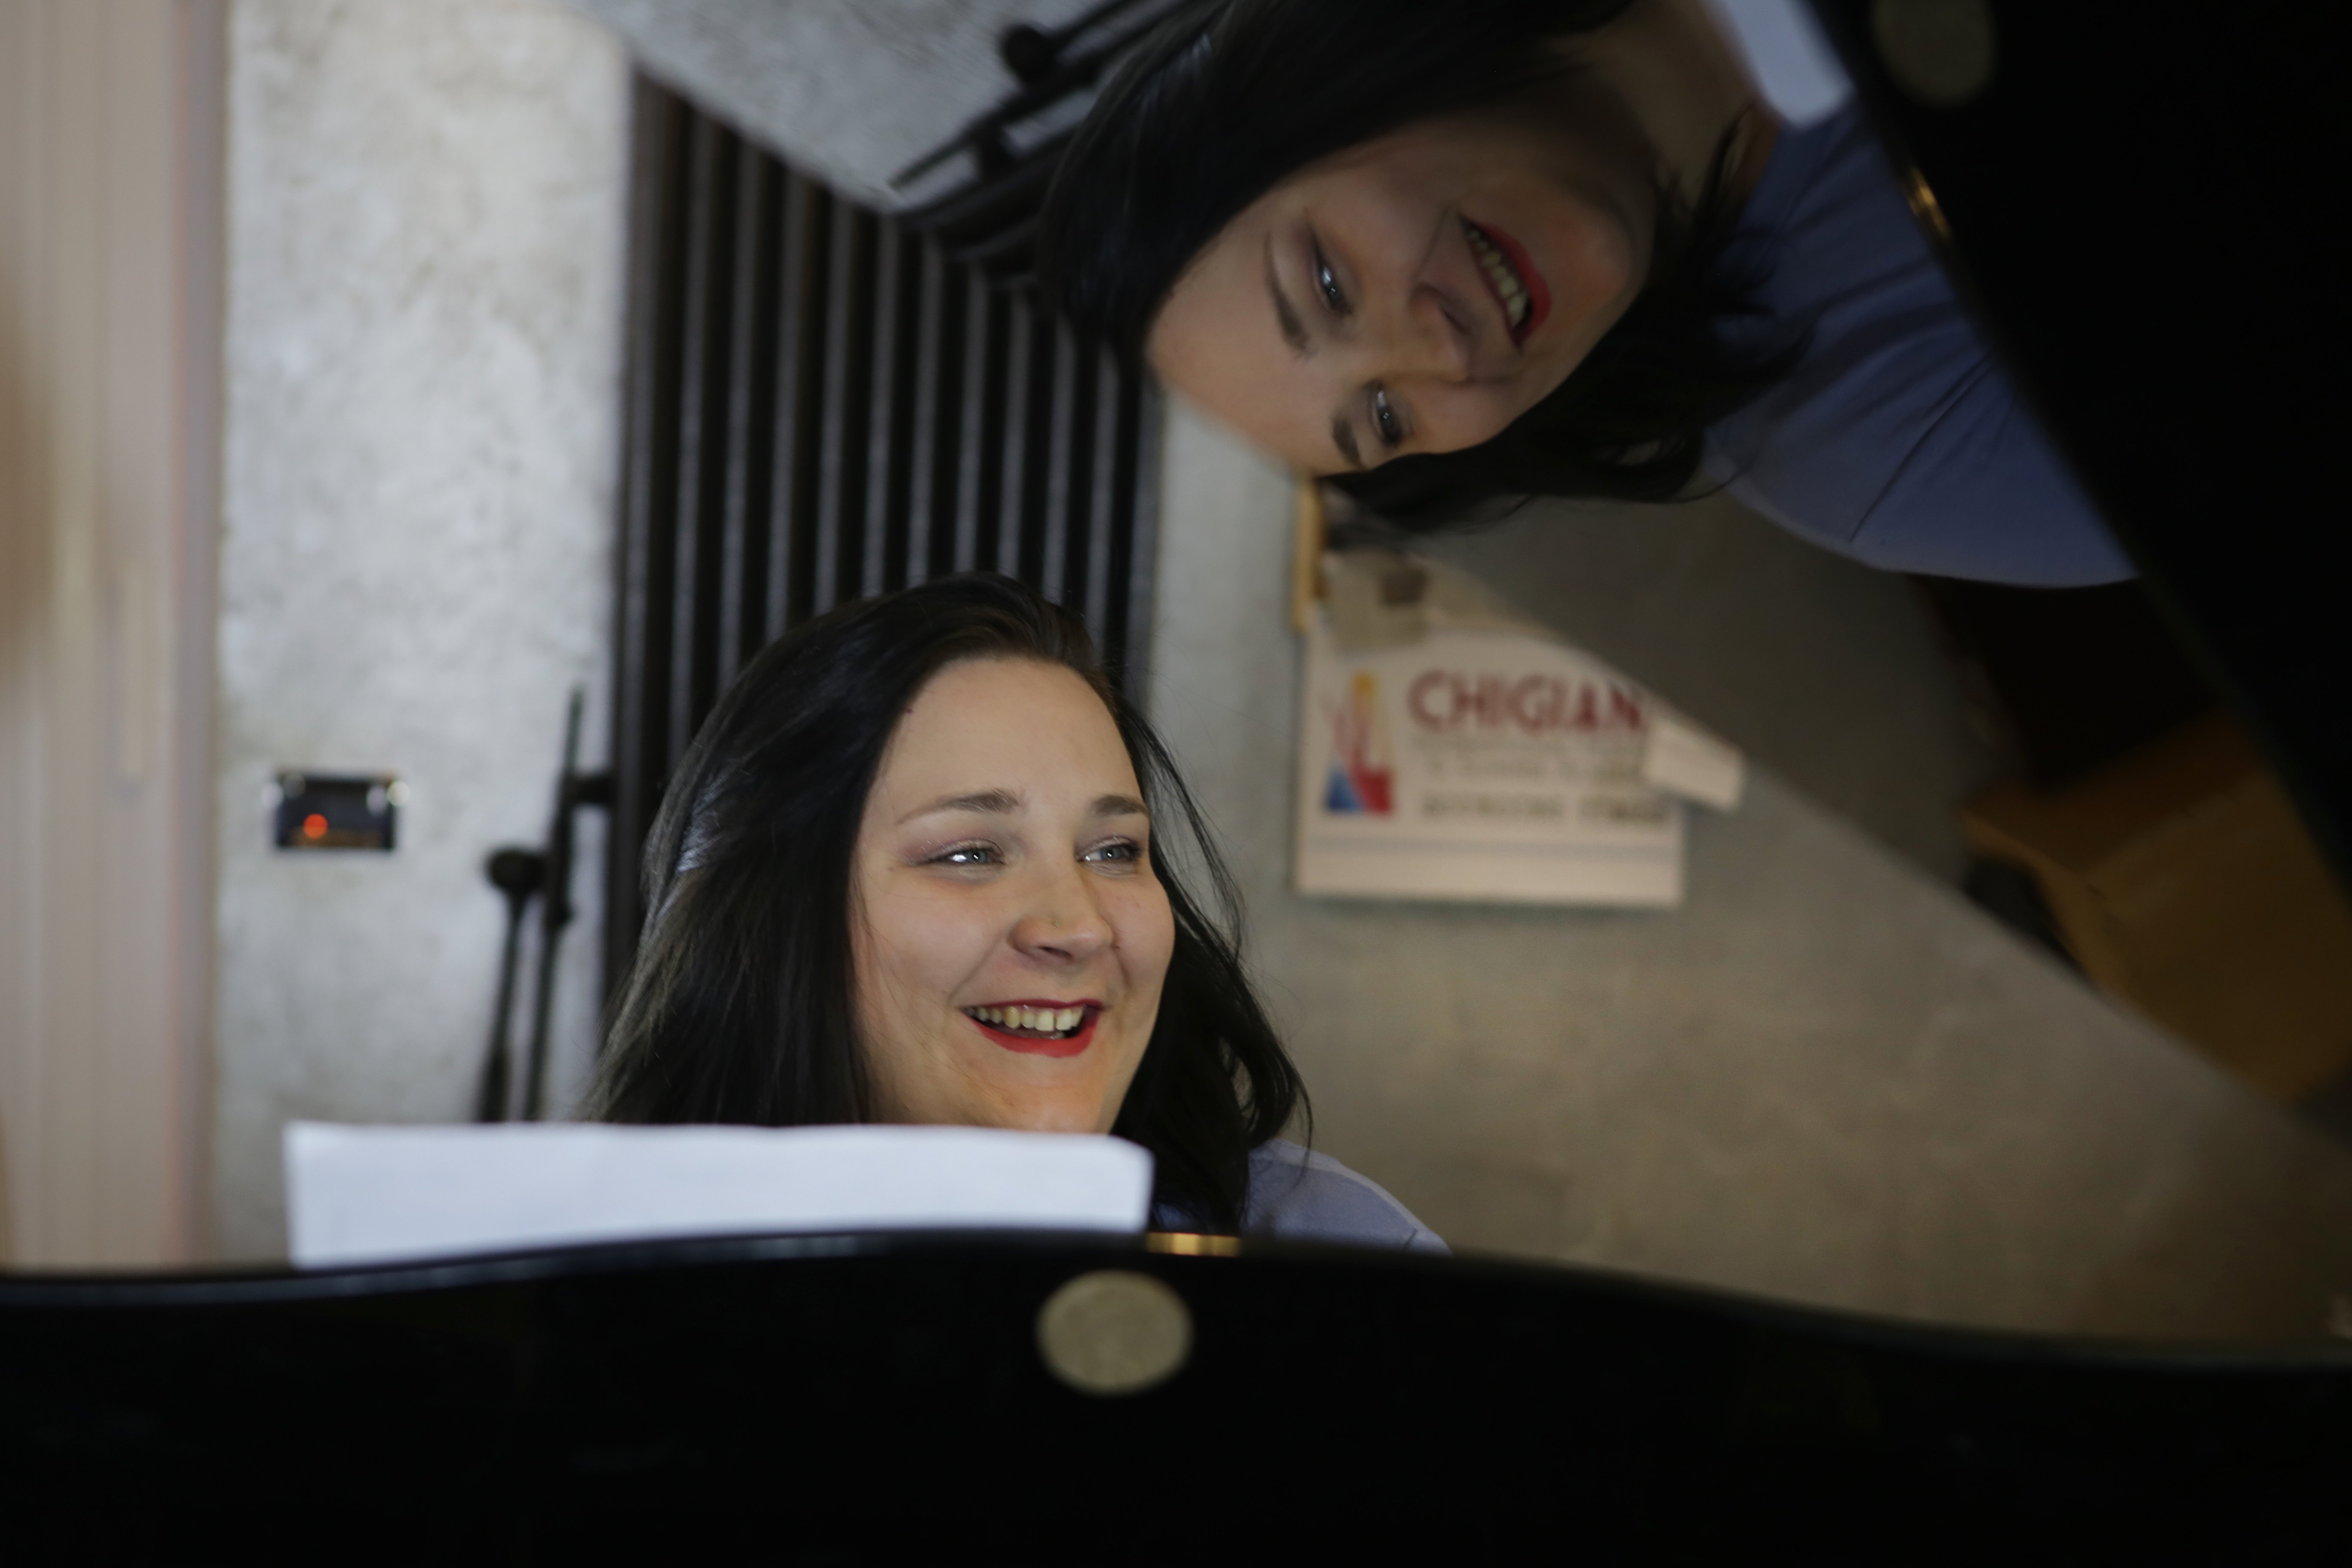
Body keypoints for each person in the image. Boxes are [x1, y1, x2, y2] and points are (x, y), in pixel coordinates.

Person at [1037, 0, 2131, 587]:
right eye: (1383, 419)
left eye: (1327, 283)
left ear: (1312, 91)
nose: (1438, 350)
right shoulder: (1876, 452)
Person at [591, 572, 1444, 1252]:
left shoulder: (1339, 1255)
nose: (1079, 927)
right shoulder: (584, 1275)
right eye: (969, 855)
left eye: (1113, 851)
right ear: (766, 914)